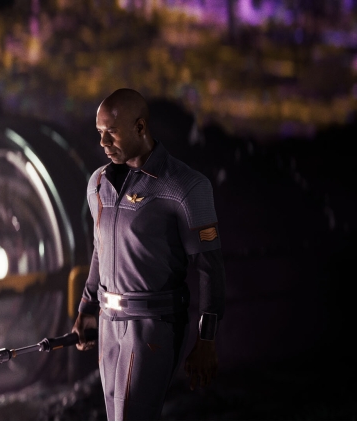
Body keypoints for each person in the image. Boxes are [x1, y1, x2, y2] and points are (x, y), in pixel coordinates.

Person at [72, 88, 226, 420]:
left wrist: (207, 339)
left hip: (154, 326)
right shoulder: (97, 184)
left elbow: (209, 266)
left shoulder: (185, 186)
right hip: (108, 324)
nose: (103, 142)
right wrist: (86, 307)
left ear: (140, 127)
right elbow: (101, 249)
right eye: (99, 132)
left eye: (111, 132)